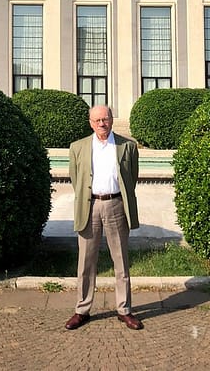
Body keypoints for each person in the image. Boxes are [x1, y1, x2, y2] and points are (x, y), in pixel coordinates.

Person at [64, 105, 143, 331]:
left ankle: (124, 309)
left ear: (111, 120)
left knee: (121, 261)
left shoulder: (127, 146)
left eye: (105, 119)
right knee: (86, 263)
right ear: (90, 122)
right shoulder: (78, 147)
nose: (102, 124)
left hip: (116, 205)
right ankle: (82, 310)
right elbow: (75, 178)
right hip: (90, 206)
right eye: (97, 120)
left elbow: (132, 178)